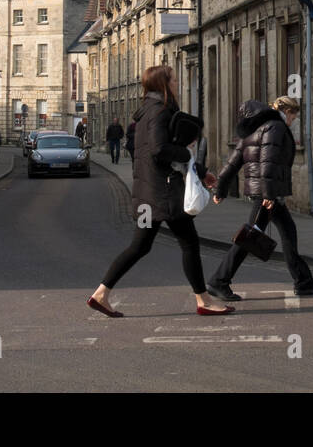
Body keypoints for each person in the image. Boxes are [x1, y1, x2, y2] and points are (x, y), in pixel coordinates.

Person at [87, 65, 230, 318]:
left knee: (140, 247)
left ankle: (101, 293)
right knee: (189, 243)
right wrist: (188, 152)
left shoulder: (146, 113)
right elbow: (160, 150)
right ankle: (204, 300)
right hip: (164, 193)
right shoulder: (161, 112)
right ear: (164, 84)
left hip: (148, 191)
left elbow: (161, 151)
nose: (177, 83)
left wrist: (198, 170)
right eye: (173, 79)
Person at [209, 96, 313, 300]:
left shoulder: (256, 128)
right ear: (287, 112)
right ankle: (219, 281)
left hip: (268, 193)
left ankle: (304, 281)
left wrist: (220, 188)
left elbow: (233, 161)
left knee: (288, 232)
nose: (293, 120)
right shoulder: (275, 127)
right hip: (267, 194)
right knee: (249, 238)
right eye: (293, 116)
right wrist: (269, 193)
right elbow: (268, 162)